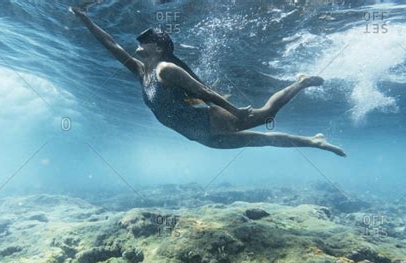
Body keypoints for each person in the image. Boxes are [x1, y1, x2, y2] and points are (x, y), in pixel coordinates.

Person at [71, 6, 346, 157]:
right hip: (200, 136)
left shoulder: (166, 69)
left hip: (210, 123)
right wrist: (86, 21)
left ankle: (306, 106)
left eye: (143, 43)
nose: (137, 46)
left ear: (157, 47)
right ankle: (312, 128)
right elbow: (112, 46)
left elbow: (203, 91)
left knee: (265, 125)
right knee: (263, 129)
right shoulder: (143, 72)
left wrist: (236, 111)